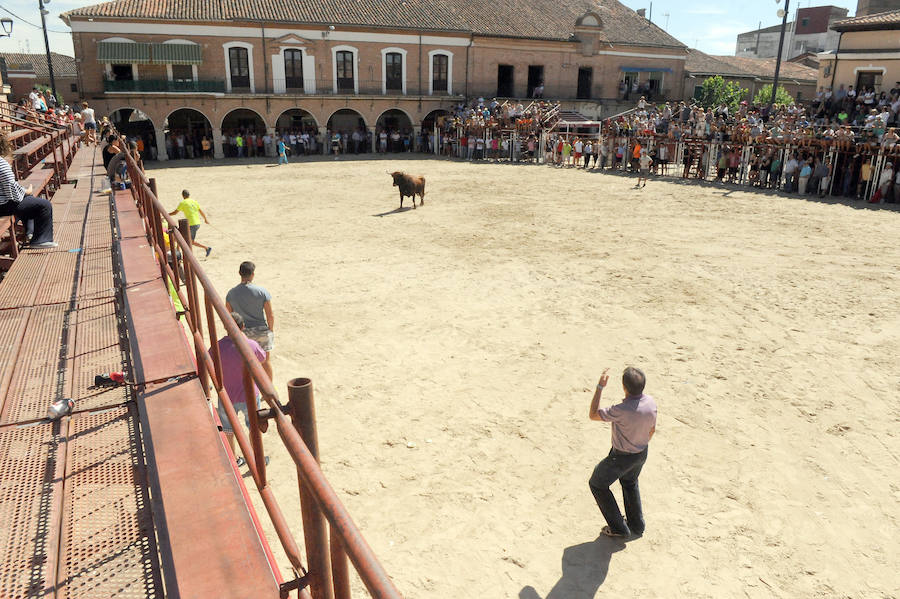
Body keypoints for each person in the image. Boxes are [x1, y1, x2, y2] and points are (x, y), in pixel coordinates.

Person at [588, 366, 658, 538]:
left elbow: (593, 414)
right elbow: (652, 430)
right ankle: (637, 525)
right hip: (641, 452)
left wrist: (599, 388)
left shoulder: (621, 409)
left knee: (597, 483)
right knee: (629, 482)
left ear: (624, 387)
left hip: (620, 457)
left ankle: (619, 528)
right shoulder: (650, 402)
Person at [216, 311, 268, 467]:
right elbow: (262, 358)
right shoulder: (251, 345)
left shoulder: (218, 346)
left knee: (228, 430)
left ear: (225, 327)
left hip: (227, 395)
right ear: (243, 326)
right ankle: (257, 459)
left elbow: (209, 360)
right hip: (249, 395)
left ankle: (234, 460)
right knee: (253, 427)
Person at [0, 131, 57, 248]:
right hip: (3, 206)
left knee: (29, 201)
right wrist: (26, 191)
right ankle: (40, 240)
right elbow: (13, 194)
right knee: (44, 205)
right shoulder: (1, 163)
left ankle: (30, 233)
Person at [226, 261, 275, 380]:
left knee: (246, 363)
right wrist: (270, 330)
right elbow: (270, 315)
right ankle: (269, 389)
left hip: (243, 333)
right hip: (262, 331)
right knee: (265, 361)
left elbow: (228, 316)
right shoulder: (262, 292)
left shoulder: (231, 294)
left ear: (239, 273)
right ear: (253, 274)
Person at [168, 189, 212, 256]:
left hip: (191, 224)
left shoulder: (183, 203)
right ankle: (177, 251)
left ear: (182, 196)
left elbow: (175, 213)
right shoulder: (194, 201)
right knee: (181, 236)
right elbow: (201, 211)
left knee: (189, 241)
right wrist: (205, 219)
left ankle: (206, 248)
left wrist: (167, 214)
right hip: (197, 223)